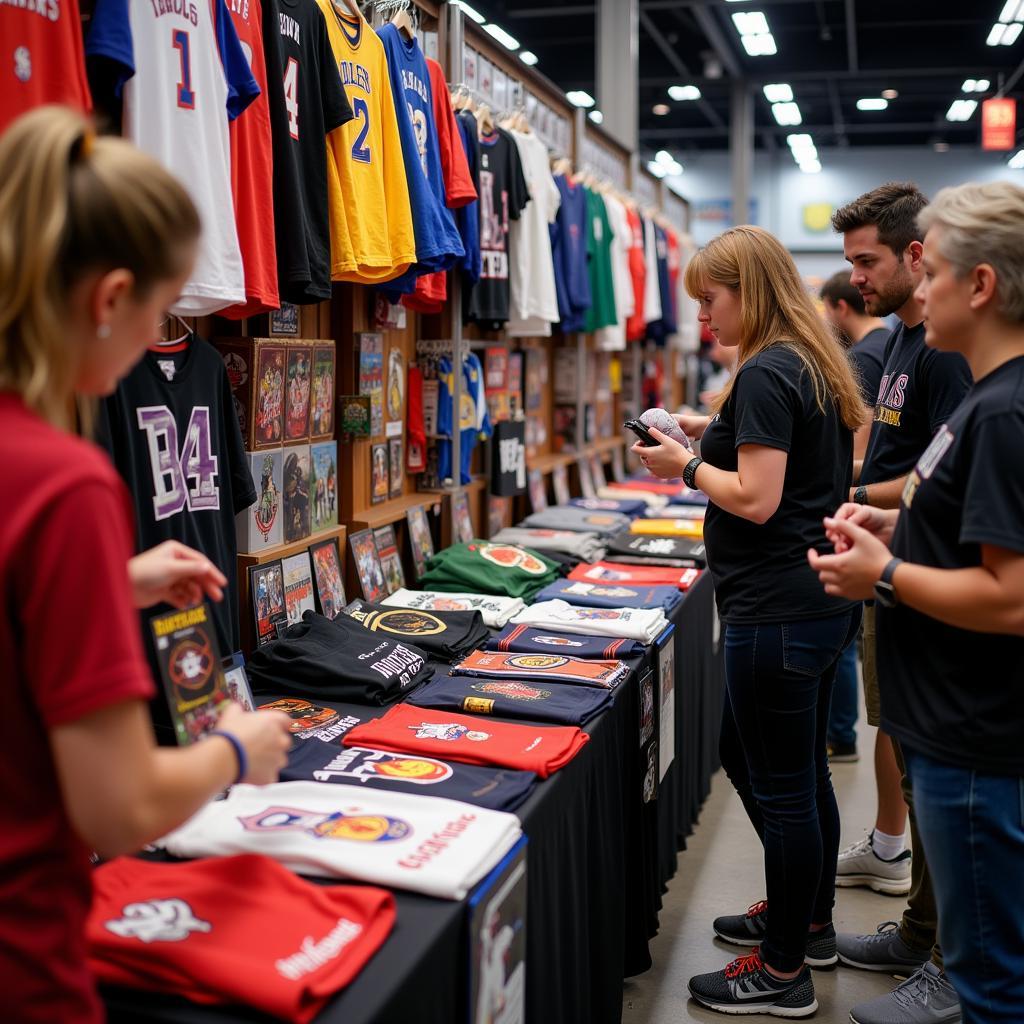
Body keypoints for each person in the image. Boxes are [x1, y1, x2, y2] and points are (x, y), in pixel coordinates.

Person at [0, 106, 292, 1024]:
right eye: (154, 311)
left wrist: (110, 582)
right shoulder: (63, 478)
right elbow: (120, 805)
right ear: (108, 298)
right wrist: (235, 750)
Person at [634, 225, 863, 1018]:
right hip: (812, 601)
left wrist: (685, 467)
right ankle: (811, 918)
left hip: (777, 607)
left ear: (750, 292)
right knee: (788, 769)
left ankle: (783, 968)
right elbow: (781, 458)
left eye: (710, 300)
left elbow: (758, 498)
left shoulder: (766, 369)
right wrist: (707, 434)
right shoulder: (806, 359)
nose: (702, 317)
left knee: (783, 783)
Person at [810, 179, 1024, 1024]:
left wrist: (884, 575)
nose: (914, 289)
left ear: (980, 286)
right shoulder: (982, 400)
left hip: (975, 728)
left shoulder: (1004, 413)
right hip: (949, 718)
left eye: (930, 274)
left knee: (991, 988)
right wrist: (892, 526)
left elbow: (1012, 597)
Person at [829, 183, 971, 1024]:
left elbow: (939, 479)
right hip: (898, 562)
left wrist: (845, 484)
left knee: (938, 778)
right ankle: (923, 930)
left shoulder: (950, 354)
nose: (856, 280)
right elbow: (915, 468)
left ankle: (951, 956)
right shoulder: (908, 343)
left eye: (867, 261)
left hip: (925, 575)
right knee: (914, 757)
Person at [818, 271, 892, 763]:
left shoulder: (865, 356)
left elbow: (858, 438)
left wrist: (846, 488)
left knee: (846, 636)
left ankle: (840, 734)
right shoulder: (894, 343)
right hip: (880, 512)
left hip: (867, 511)